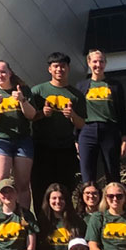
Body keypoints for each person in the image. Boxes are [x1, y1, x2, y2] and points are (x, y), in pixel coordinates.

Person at [30, 53, 85, 205]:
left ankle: (65, 224)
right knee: (40, 189)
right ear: (49, 69)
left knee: (66, 188)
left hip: (66, 148)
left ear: (68, 68)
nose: (59, 69)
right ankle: (43, 225)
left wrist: (73, 115)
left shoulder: (77, 95)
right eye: (55, 66)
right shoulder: (37, 91)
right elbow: (29, 116)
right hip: (41, 147)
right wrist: (42, 114)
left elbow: (82, 124)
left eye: (63, 66)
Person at [0, 61, 38, 209]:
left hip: (23, 140)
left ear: (10, 73)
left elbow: (31, 115)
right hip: (1, 139)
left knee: (22, 183)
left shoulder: (23, 90)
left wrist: (22, 100)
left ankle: (24, 219)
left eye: (3, 72)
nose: (0, 75)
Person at [75, 51, 126, 187]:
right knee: (87, 173)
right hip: (87, 130)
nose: (98, 65)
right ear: (89, 63)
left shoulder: (115, 86)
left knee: (112, 172)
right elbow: (77, 113)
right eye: (95, 62)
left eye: (101, 61)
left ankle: (113, 202)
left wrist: (125, 137)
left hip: (109, 130)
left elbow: (121, 112)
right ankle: (89, 205)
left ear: (105, 63)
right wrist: (76, 138)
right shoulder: (81, 86)